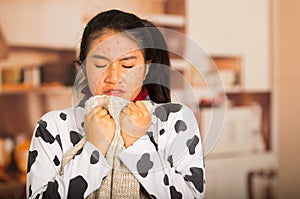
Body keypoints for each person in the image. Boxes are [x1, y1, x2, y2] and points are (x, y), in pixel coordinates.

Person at [26, 9, 206, 199]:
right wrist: (94, 148)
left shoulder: (176, 121)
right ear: (83, 68)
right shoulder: (53, 127)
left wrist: (137, 143)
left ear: (146, 68)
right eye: (100, 65)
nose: (114, 77)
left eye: (127, 65)